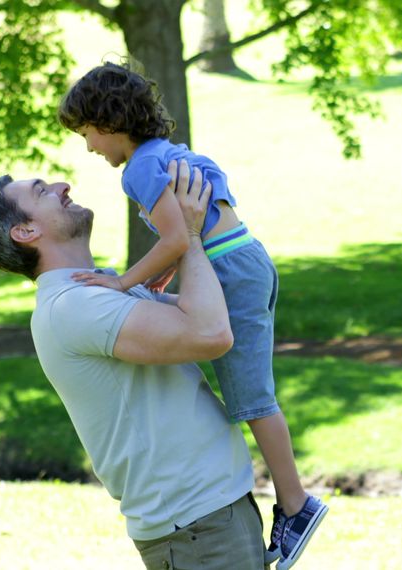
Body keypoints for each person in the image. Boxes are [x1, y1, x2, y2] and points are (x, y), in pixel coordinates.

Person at [57, 61, 326, 569]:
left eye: (87, 133)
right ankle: (294, 502)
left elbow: (181, 237)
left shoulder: (138, 169)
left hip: (230, 273)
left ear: (109, 123)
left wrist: (121, 281)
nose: (89, 146)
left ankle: (296, 505)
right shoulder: (169, 154)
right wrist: (164, 275)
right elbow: (194, 231)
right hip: (242, 261)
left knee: (250, 397)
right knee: (247, 392)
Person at [0, 160, 264, 568]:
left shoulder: (97, 291)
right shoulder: (73, 307)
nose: (62, 184)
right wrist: (187, 235)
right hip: (198, 528)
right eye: (42, 190)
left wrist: (187, 240)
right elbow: (211, 334)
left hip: (208, 518)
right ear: (26, 232)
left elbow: (217, 313)